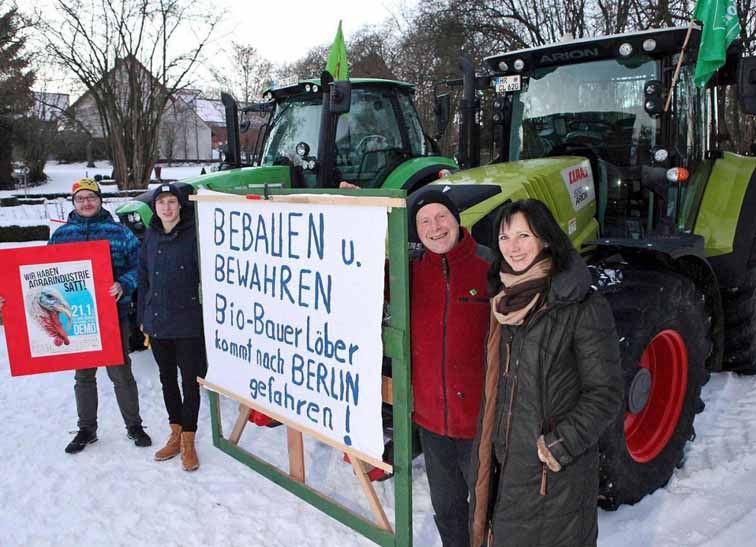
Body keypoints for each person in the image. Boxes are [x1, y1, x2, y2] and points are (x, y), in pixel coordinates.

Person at [468, 199, 623, 547]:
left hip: (551, 478)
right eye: (505, 237)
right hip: (504, 469)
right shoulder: (504, 302)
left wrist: (556, 446)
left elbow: (607, 392)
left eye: (524, 235)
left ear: (546, 240)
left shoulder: (580, 305)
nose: (513, 247)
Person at [409, 190, 491, 547]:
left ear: (457, 220)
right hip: (431, 422)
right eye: (424, 221)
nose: (435, 227)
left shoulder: (491, 266)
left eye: (441, 217)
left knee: (488, 511)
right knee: (447, 509)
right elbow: (354, 272)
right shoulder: (408, 272)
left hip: (480, 422)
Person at [51, 178, 151, 453]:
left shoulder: (118, 233)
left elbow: (139, 265)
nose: (86, 202)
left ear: (99, 200)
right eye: (80, 198)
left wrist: (124, 284)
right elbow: (42, 275)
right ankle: (86, 429)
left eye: (90, 197)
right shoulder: (62, 235)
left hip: (110, 315)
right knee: (84, 374)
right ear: (73, 203)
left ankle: (134, 425)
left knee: (120, 372)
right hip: (77, 316)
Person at [138, 183, 206, 472]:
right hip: (158, 322)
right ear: (155, 208)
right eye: (161, 203)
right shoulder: (150, 236)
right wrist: (143, 315)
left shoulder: (195, 235)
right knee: (167, 379)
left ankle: (189, 439)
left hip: (188, 321)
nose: (166, 208)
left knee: (190, 382)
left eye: (171, 202)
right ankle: (175, 433)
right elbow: (143, 277)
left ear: (180, 205)